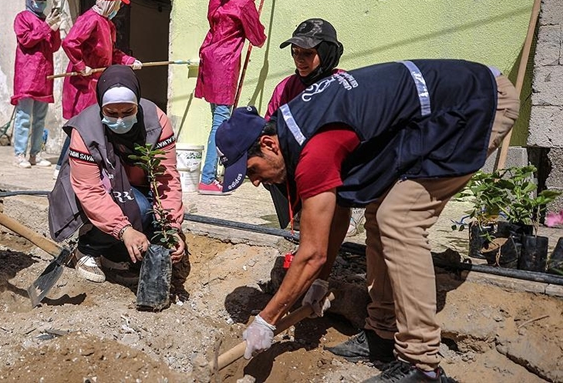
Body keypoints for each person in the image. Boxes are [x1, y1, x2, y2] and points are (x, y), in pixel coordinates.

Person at [215, 59, 518, 382]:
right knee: (378, 212)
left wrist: (267, 320)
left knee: (399, 219)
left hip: (476, 104)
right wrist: (320, 281)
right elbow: (338, 212)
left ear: (268, 144)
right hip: (436, 114)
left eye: (252, 171)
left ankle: (422, 365)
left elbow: (312, 252)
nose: (257, 182)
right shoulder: (295, 132)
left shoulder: (313, 150)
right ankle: (382, 335)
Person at [48, 65, 186, 283]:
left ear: (137, 104)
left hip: (135, 185)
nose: (120, 120)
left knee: (147, 208)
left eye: (128, 112)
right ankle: (88, 249)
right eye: (112, 113)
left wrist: (171, 228)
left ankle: (114, 255)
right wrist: (123, 230)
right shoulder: (85, 130)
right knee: (138, 208)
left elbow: (165, 178)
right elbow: (89, 190)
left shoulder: (156, 122)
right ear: (101, 106)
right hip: (97, 190)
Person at [195, 0, 267, 195]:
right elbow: (257, 39)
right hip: (225, 66)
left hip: (209, 59)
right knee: (221, 121)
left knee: (217, 115)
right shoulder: (244, 5)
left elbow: (231, 7)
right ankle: (207, 178)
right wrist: (253, 8)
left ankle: (211, 174)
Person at [264, 18, 345, 230]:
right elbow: (267, 128)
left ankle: (345, 208)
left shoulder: (343, 85)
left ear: (327, 53)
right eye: (295, 52)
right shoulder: (286, 88)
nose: (299, 60)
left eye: (307, 53)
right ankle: (297, 213)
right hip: (299, 164)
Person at [55, 0, 141, 180]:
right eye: (118, 4)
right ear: (110, 3)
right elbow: (70, 42)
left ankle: (90, 164)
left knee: (92, 124)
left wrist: (129, 61)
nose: (119, 8)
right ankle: (62, 166)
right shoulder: (90, 20)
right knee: (81, 125)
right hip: (83, 83)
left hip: (96, 81)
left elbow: (112, 53)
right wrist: (80, 65)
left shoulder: (106, 24)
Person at [11, 0, 63, 169]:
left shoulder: (45, 21)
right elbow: (26, 40)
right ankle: (19, 154)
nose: (41, 4)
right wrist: (45, 27)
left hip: (44, 76)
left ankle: (35, 154)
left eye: (43, 1)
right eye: (38, 0)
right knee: (24, 117)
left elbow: (54, 47)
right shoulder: (22, 18)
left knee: (40, 119)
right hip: (27, 76)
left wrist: (55, 29)